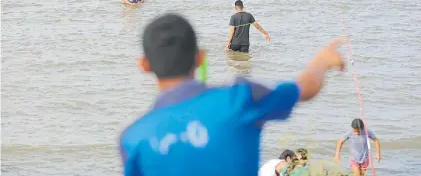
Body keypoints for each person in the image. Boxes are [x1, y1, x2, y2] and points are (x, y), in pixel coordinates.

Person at [119, 13, 346, 176]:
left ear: (144, 65)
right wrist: (321, 61)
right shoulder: (240, 99)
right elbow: (305, 89)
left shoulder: (132, 138)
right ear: (200, 58)